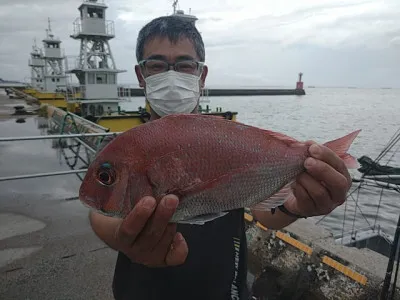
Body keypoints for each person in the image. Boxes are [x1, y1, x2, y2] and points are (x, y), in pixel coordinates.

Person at [88, 16, 352, 300]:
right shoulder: (122, 150)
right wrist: (124, 236)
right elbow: (98, 211)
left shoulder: (227, 142)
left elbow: (266, 212)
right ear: (141, 76)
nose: (172, 75)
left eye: (185, 64)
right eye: (157, 65)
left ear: (201, 76)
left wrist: (299, 204)